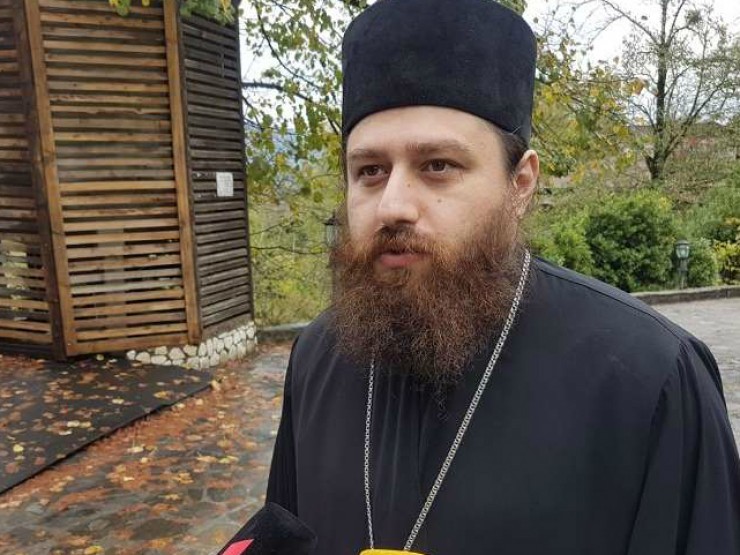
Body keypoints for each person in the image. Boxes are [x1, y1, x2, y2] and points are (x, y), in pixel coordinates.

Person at [266, 0, 740, 553]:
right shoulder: (316, 357)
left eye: (437, 166)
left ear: (521, 184)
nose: (392, 205)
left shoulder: (653, 377)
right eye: (369, 171)